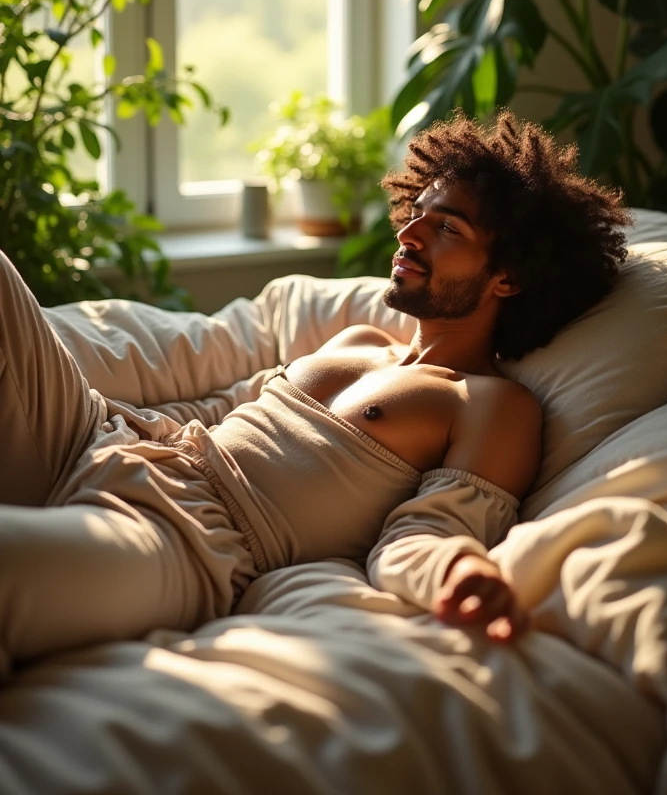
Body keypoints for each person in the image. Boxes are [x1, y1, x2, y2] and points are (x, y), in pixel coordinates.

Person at [0, 112, 630, 676]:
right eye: (416, 215)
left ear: (509, 278)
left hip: (181, 539)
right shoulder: (357, 339)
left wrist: (457, 571)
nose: (410, 234)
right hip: (107, 439)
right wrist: (112, 421)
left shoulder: (491, 405)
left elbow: (421, 537)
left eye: (447, 229)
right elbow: (221, 412)